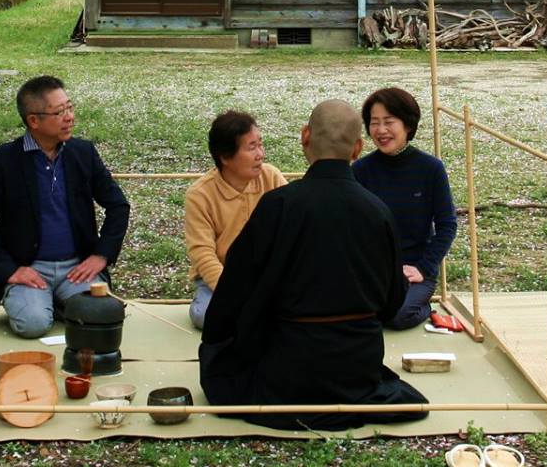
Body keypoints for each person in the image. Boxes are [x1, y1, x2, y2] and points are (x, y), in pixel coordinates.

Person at [199, 99, 429, 430]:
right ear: (357, 148)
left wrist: (222, 341)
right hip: (355, 366)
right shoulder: (377, 212)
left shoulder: (278, 205)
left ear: (305, 136)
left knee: (220, 364)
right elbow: (392, 302)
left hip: (288, 365)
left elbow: (234, 294)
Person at [0, 74, 130, 338]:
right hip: (30, 267)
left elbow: (118, 206)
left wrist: (100, 255)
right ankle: (45, 303)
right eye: (59, 112)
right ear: (34, 120)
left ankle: (62, 303)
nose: (69, 117)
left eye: (70, 107)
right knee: (33, 325)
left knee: (101, 316)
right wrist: (10, 270)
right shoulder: (5, 160)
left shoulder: (82, 153)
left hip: (76, 268)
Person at [352, 86, 457, 330]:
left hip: (413, 271)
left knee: (396, 317)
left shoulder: (430, 169)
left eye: (389, 122)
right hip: (372, 272)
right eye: (374, 122)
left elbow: (447, 225)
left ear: (408, 125)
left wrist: (424, 268)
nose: (380, 130)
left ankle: (424, 306)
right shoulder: (360, 170)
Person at [183, 110, 288, 330]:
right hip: (220, 280)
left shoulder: (272, 178)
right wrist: (235, 293)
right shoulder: (200, 195)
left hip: (268, 277)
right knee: (204, 315)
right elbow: (202, 254)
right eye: (251, 147)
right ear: (225, 157)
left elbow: (293, 231)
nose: (261, 154)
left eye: (260, 144)